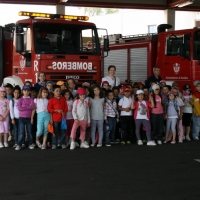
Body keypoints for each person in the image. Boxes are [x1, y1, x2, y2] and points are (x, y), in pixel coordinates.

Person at [47, 85, 68, 149]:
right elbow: (49, 109)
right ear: (53, 91)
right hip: (55, 119)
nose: (58, 92)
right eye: (56, 91)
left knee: (63, 132)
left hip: (63, 118)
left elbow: (66, 108)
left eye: (59, 91)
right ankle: (54, 144)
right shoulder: (51, 100)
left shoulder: (63, 99)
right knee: (54, 132)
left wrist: (64, 112)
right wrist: (56, 110)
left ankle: (63, 143)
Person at [15, 86, 35, 150]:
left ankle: (30, 143)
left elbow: (32, 107)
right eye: (25, 91)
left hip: (29, 118)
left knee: (29, 132)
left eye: (27, 91)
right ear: (22, 91)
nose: (26, 92)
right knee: (21, 132)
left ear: (29, 92)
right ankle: (19, 144)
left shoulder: (31, 99)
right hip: (21, 118)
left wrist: (24, 107)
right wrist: (28, 106)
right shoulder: (20, 99)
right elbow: (19, 108)